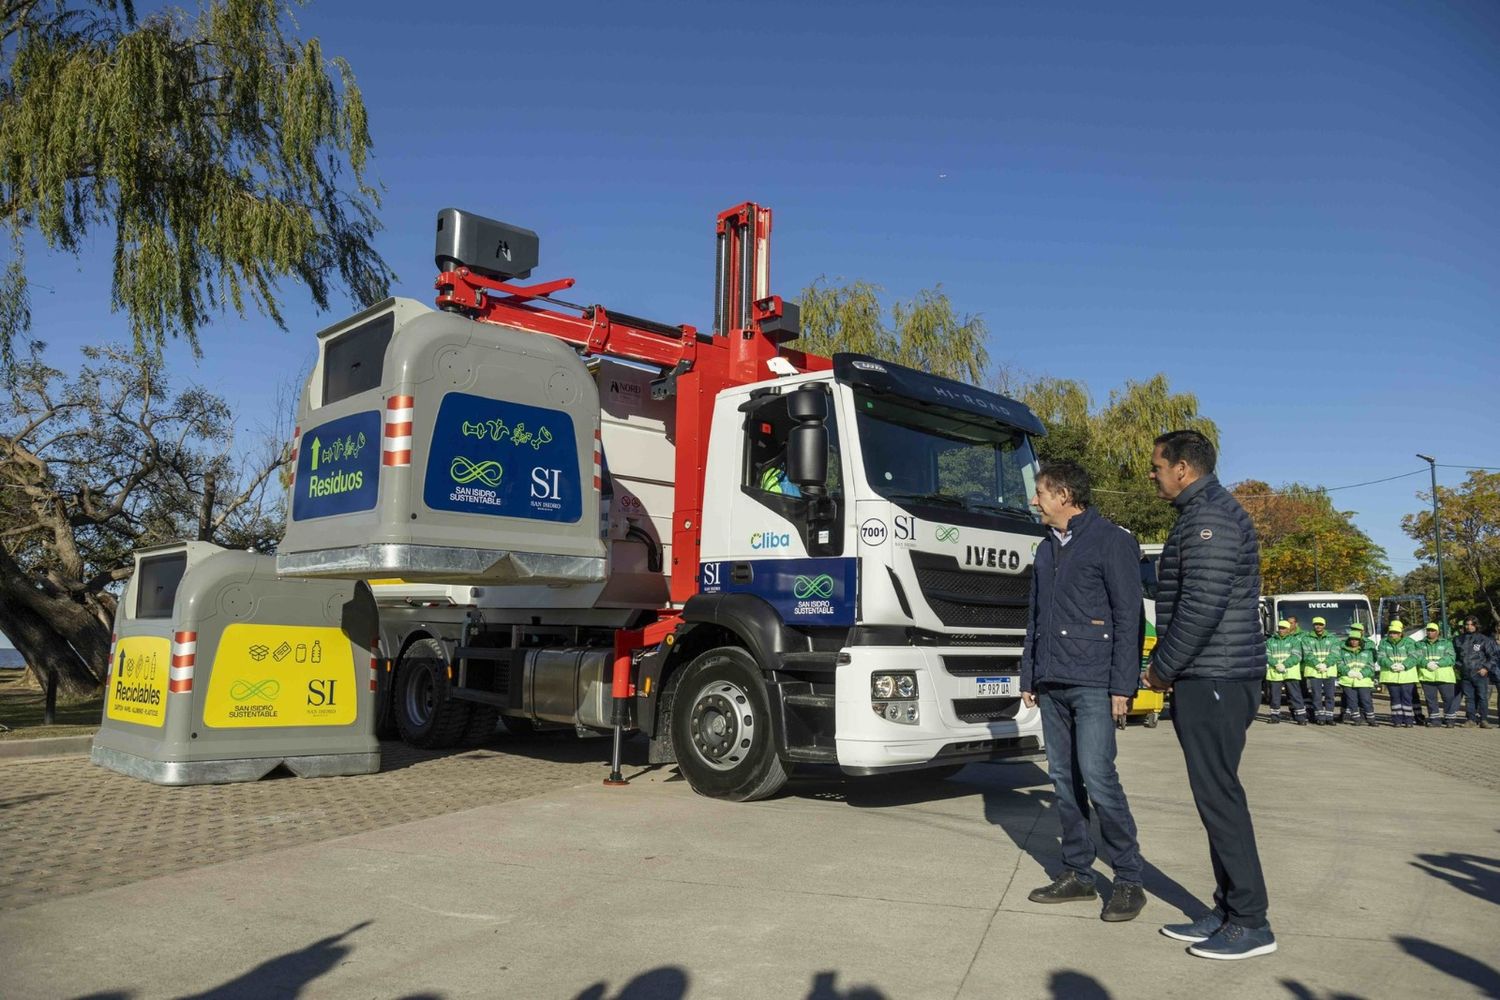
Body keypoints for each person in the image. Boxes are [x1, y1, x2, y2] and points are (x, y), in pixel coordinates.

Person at [1144, 429, 1275, 960]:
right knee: (1213, 795)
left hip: (1216, 675)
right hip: (1212, 672)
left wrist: (1163, 667)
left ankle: (1251, 921)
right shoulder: (1203, 513)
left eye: (1157, 466)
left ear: (1183, 468)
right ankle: (1226, 910)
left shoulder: (1209, 520)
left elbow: (1201, 606)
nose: (1152, 475)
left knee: (1220, 797)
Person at [1020, 460, 1147, 922]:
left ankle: (1129, 879)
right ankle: (1078, 873)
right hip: (1051, 682)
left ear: (1065, 494)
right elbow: (1035, 617)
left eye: (1041, 492)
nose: (1035, 500)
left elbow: (1128, 616)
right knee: (1063, 780)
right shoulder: (1044, 548)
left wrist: (1122, 684)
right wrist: (1029, 674)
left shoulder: (1113, 540)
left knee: (1098, 777)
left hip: (1094, 682)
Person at [1456, 617, 1497, 728]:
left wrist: (1485, 668)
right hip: (1465, 674)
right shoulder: (1458, 639)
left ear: (1476, 625)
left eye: (1472, 624)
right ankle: (1471, 720)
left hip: (1480, 674)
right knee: (1469, 698)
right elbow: (1455, 657)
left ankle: (1483, 720)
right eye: (1467, 624)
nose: (1469, 626)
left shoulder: (1484, 639)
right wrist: (1460, 667)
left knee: (1482, 697)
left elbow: (1492, 657)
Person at [1378, 621, 1420, 728]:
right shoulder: (1384, 643)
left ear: (1401, 633)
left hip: (1407, 675)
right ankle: (1397, 720)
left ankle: (1408, 720)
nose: (1393, 635)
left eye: (1395, 632)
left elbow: (1414, 656)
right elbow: (1381, 657)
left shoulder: (1409, 642)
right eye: (1391, 632)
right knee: (1395, 698)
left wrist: (1404, 666)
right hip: (1391, 675)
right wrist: (1390, 665)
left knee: (1407, 698)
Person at [1416, 623, 1459, 728]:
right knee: (1431, 700)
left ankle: (1449, 719)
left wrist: (1438, 663)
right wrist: (1426, 663)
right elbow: (1417, 657)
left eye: (1433, 630)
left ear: (1438, 632)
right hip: (1427, 676)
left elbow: (1451, 657)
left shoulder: (1446, 643)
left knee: (1448, 699)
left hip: (1444, 677)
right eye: (1429, 630)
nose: (1430, 632)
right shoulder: (1420, 644)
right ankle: (1435, 720)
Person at [1264, 620, 1306, 725]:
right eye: (1280, 628)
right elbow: (1266, 655)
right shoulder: (1270, 641)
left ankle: (1300, 718)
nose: (1281, 630)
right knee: (1274, 696)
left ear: (1288, 629)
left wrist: (1284, 665)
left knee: (1295, 696)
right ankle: (1275, 717)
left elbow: (1297, 656)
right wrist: (1276, 664)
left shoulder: (1294, 641)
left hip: (1290, 672)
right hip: (1275, 672)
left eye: (1283, 628)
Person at [1300, 617, 1340, 726]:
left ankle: (1329, 717)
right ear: (1313, 625)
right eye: (1316, 624)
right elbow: (1307, 654)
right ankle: (1320, 717)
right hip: (1314, 671)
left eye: (1320, 624)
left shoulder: (1333, 638)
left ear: (1324, 625)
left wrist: (1326, 664)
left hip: (1329, 670)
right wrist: (1317, 664)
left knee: (1330, 695)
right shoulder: (1306, 638)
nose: (1318, 626)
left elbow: (1335, 654)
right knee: (1316, 695)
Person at [1336, 630, 1378, 726]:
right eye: (1352, 640)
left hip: (1363, 680)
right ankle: (1356, 719)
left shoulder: (1367, 652)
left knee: (1366, 700)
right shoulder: (1342, 651)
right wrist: (1348, 672)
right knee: (1352, 701)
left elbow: (1370, 666)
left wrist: (1362, 674)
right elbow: (1339, 664)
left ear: (1360, 641)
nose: (1354, 641)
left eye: (1356, 640)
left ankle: (1371, 720)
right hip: (1348, 681)